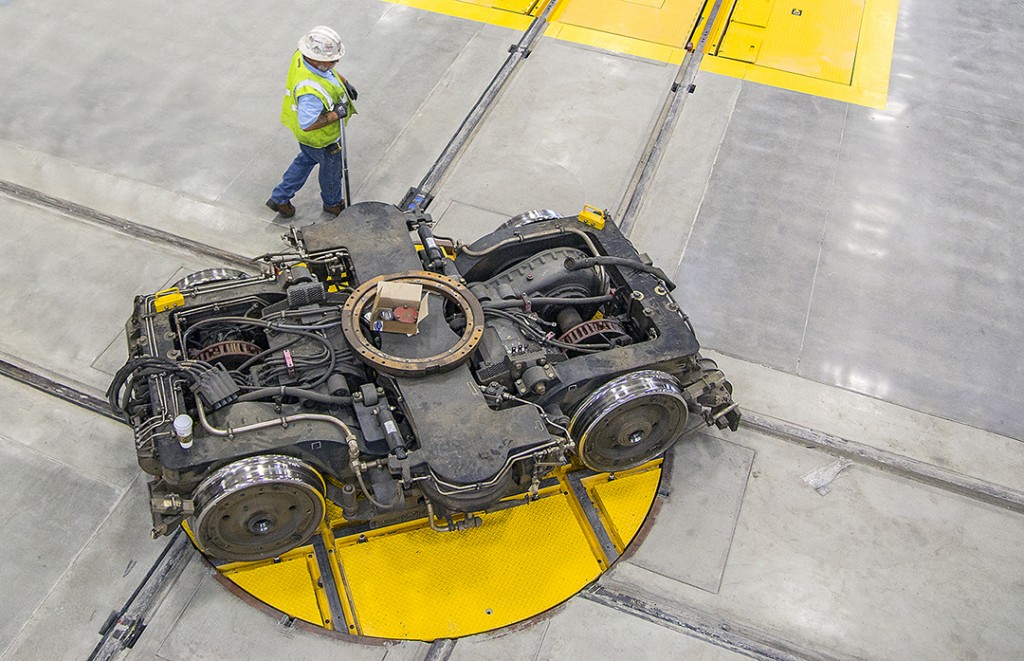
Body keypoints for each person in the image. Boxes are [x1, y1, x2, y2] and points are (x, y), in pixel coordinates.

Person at [266, 26, 357, 218]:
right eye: (332, 60)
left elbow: (328, 72)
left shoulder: (303, 55)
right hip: (323, 140)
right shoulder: (310, 91)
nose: (336, 62)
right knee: (332, 172)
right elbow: (307, 123)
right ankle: (332, 204)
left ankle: (280, 197)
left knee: (305, 160)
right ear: (316, 60)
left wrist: (344, 82)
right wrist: (336, 114)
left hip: (309, 142)